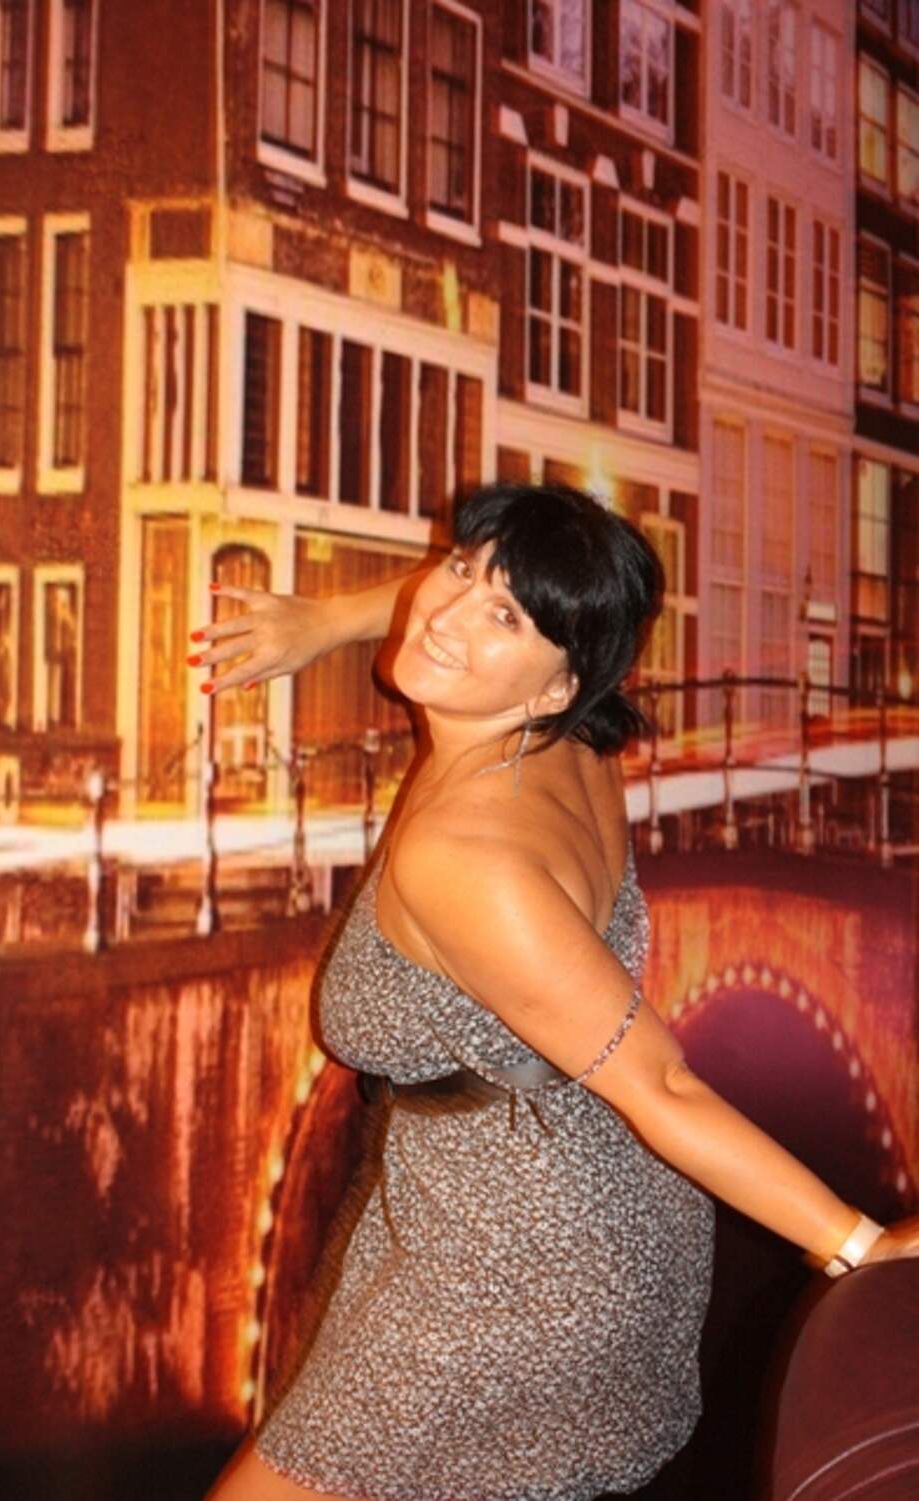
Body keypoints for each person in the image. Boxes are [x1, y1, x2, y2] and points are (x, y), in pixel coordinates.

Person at [190, 482, 919, 1501]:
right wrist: (323, 620)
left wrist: (859, 1247)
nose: (445, 612)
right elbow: (488, 603)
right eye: (460, 569)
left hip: (517, 1268)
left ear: (555, 683)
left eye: (502, 617)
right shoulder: (574, 738)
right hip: (556, 1205)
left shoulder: (466, 857)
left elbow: (662, 1083)